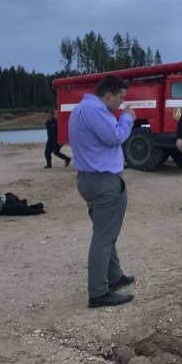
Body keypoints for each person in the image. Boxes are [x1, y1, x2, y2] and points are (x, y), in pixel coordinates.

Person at [68, 75, 136, 308]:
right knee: (104, 237)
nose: (121, 104)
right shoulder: (96, 111)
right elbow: (115, 137)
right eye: (120, 98)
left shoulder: (80, 109)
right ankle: (98, 292)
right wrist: (127, 119)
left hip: (89, 179)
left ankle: (114, 276)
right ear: (108, 95)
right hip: (104, 181)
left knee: (106, 231)